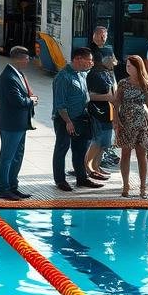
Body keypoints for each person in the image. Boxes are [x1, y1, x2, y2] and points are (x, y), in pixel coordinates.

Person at [51, 46, 100, 191]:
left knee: (80, 150)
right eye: (89, 60)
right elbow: (60, 103)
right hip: (65, 120)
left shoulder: (82, 74)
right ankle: (60, 180)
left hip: (81, 118)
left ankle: (82, 178)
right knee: (62, 148)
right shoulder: (63, 77)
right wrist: (68, 121)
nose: (91, 63)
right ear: (78, 59)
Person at [0, 46, 37, 201]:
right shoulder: (8, 77)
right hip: (11, 125)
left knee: (17, 156)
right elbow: (17, 101)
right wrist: (31, 101)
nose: (28, 61)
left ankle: (13, 186)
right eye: (27, 58)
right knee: (7, 157)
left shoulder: (18, 74)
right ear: (18, 59)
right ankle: (3, 189)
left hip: (20, 124)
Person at [113, 55, 148, 198]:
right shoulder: (123, 83)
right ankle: (126, 185)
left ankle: (143, 187)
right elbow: (117, 102)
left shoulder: (147, 84)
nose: (127, 68)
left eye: (130, 66)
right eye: (127, 66)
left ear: (138, 68)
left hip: (142, 122)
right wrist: (116, 120)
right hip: (126, 122)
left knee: (142, 154)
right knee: (125, 153)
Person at [83, 54, 117, 182]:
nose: (115, 61)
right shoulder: (93, 74)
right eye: (112, 58)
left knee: (104, 143)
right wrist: (109, 97)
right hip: (97, 112)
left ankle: (97, 166)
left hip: (108, 112)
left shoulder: (107, 73)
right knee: (97, 141)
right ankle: (88, 167)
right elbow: (89, 95)